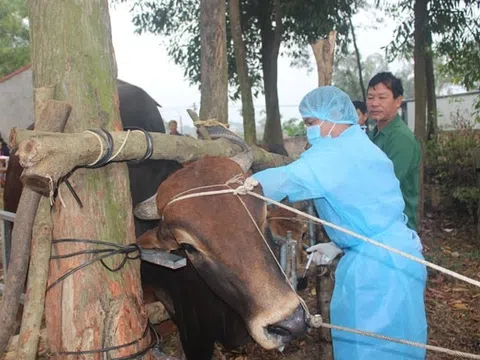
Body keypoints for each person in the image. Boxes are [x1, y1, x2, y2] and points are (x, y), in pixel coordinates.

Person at [249, 86, 427, 360]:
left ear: (332, 117)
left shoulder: (333, 154)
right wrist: (339, 244)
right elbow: (368, 207)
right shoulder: (358, 143)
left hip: (377, 270)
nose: (308, 129)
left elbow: (287, 179)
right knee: (400, 342)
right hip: (397, 253)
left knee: (371, 349)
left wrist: (242, 184)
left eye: (310, 122)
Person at [367, 72, 421, 231]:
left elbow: (384, 186)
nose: (374, 103)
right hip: (377, 221)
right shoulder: (374, 133)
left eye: (382, 97)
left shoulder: (401, 138)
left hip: (396, 227)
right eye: (370, 97)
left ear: (398, 101)